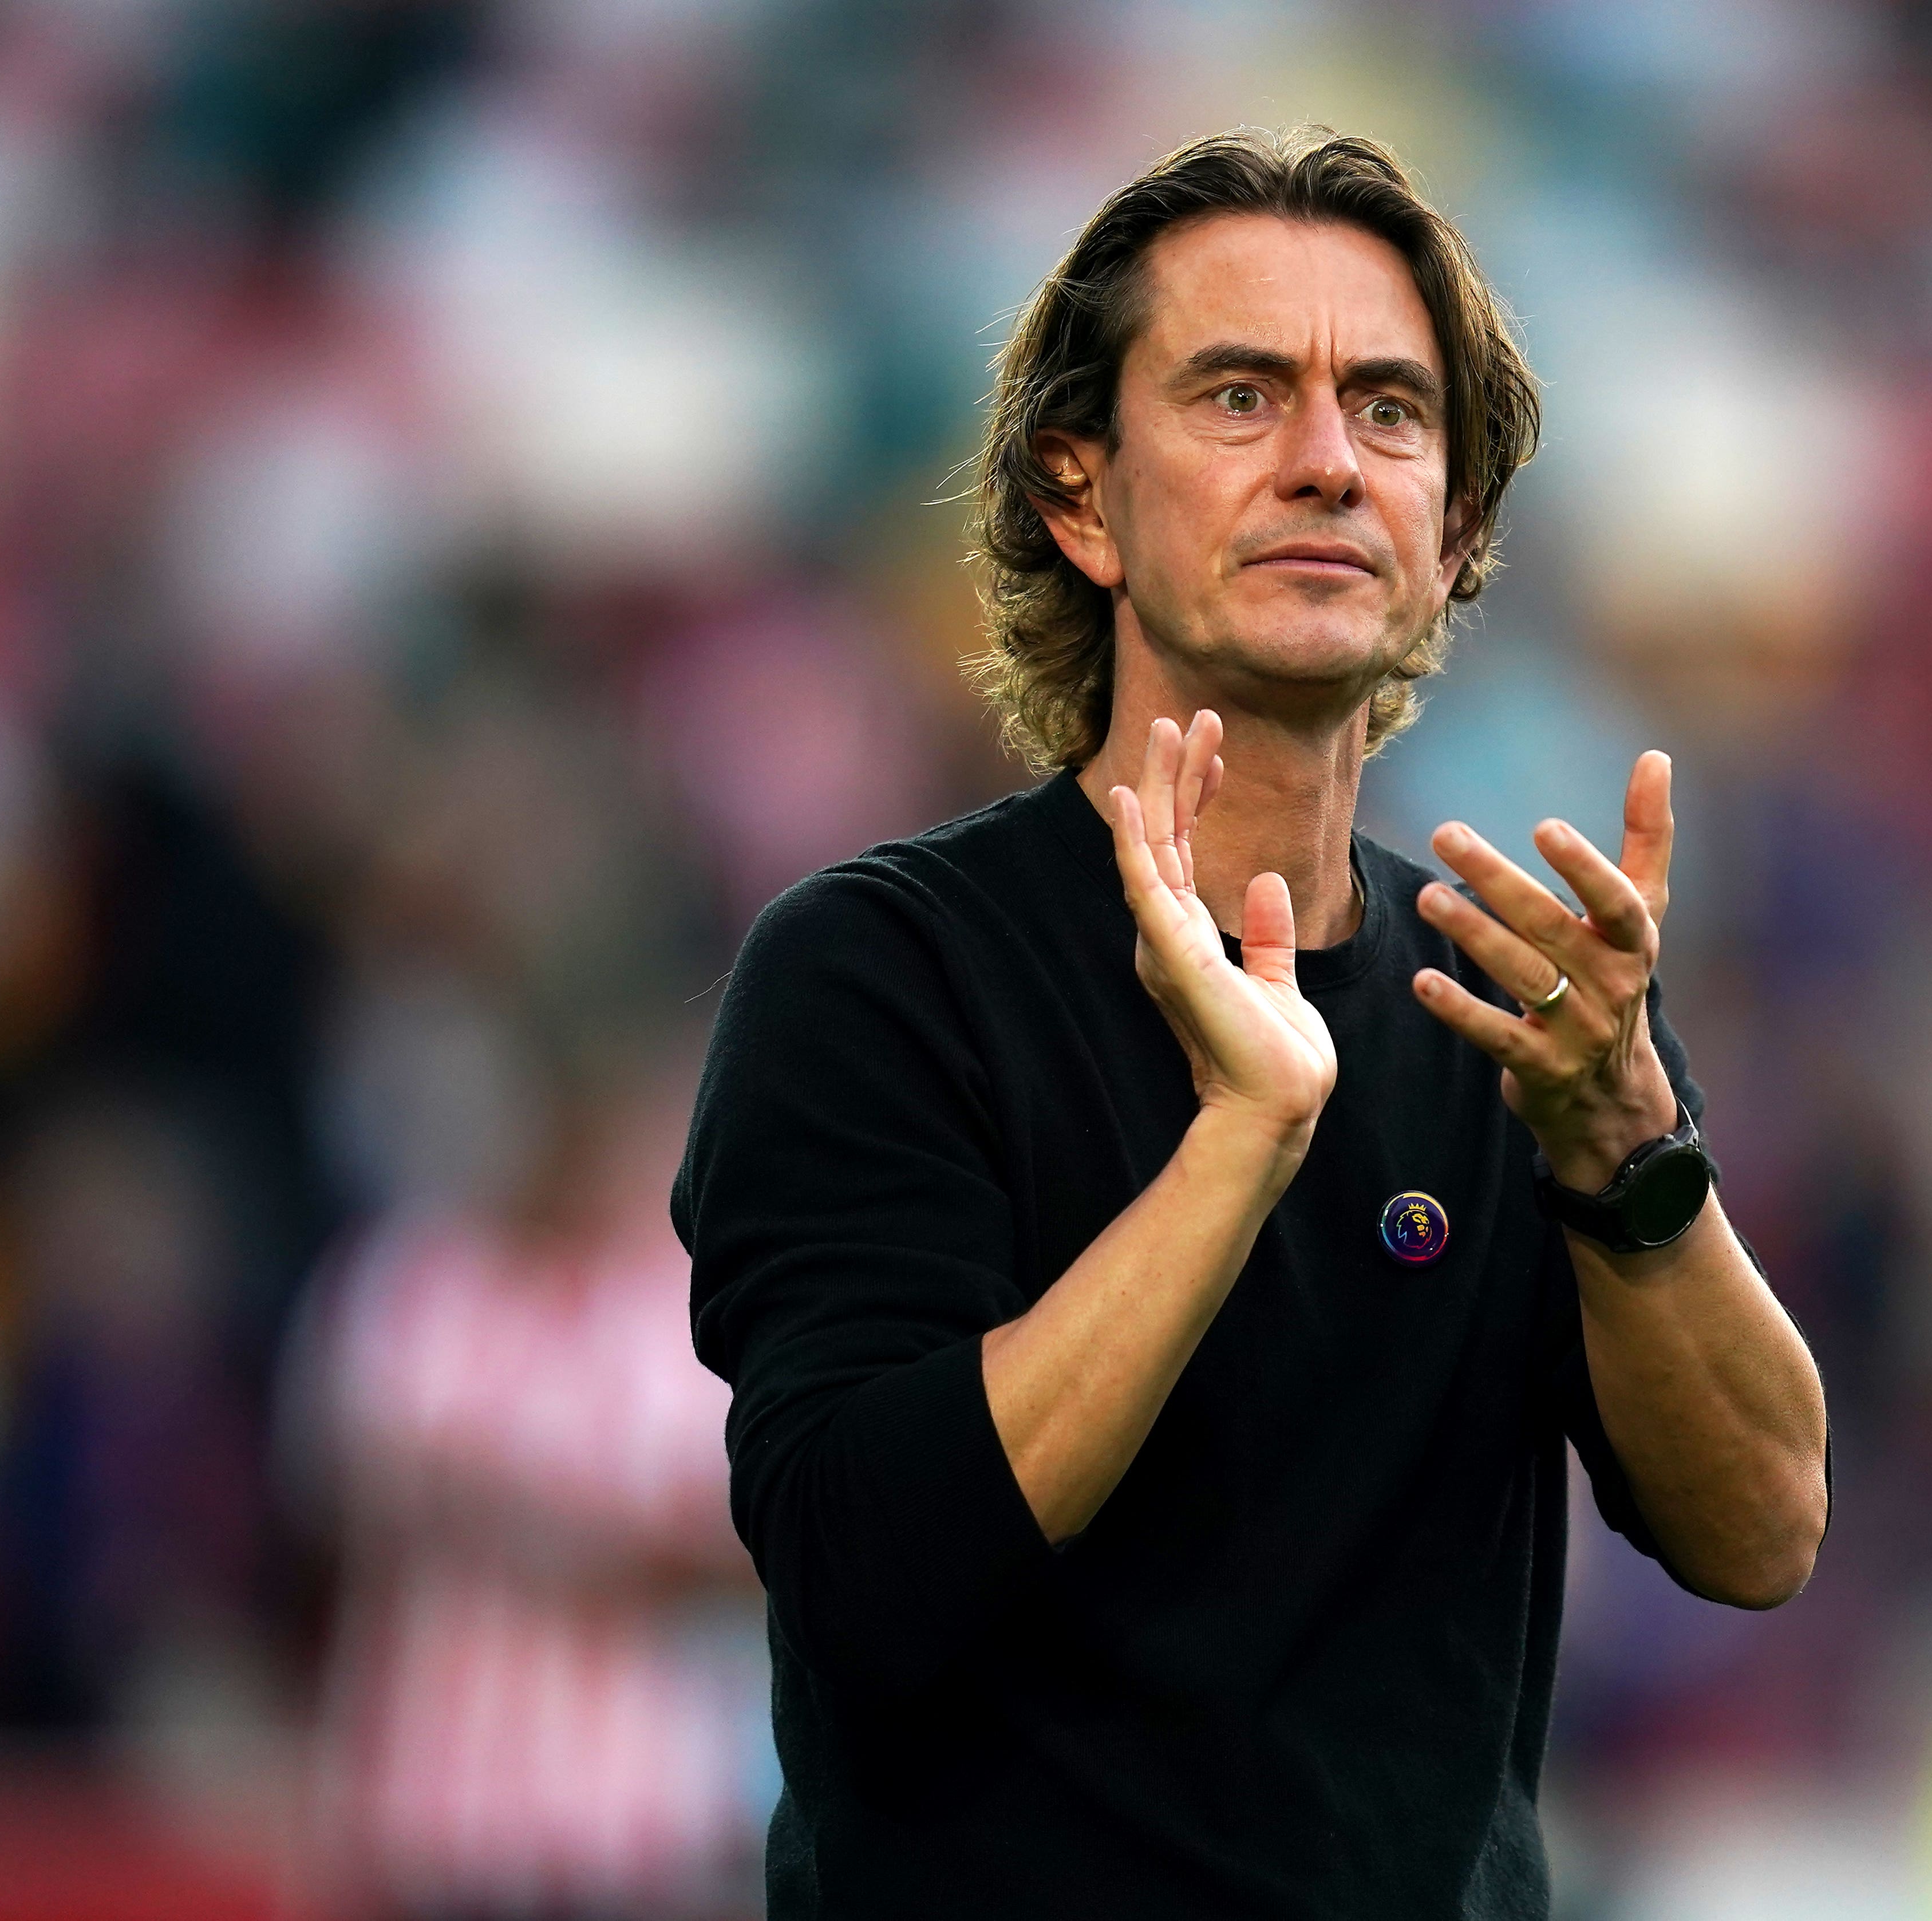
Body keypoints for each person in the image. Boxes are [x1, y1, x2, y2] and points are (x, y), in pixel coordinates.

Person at [672, 127, 1830, 1918]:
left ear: (1455, 535)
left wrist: (1627, 1147)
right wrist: (1242, 1141)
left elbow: (1761, 1530)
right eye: (1238, 395)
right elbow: (863, 1574)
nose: (1325, 462)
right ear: (1082, 497)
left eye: (1389, 411)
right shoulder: (881, 971)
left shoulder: (1525, 1007)